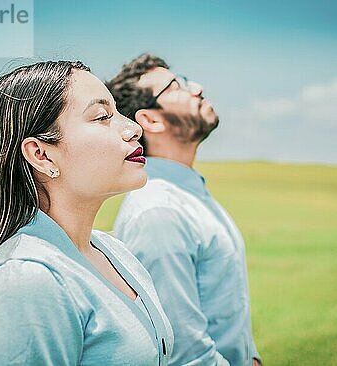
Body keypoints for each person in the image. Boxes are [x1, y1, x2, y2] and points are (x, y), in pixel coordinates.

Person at [0, 60, 173, 365]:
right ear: (41, 154)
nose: (133, 128)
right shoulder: (24, 280)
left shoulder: (116, 252)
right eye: (102, 116)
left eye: (117, 112)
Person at [107, 54, 261, 366]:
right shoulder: (158, 211)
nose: (198, 89)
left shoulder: (185, 194)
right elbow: (184, 354)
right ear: (150, 120)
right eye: (177, 86)